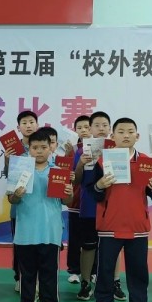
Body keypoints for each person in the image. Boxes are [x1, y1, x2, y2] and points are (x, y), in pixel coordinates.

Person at [88, 118, 152, 302]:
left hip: (138, 225)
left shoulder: (146, 162)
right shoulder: (102, 161)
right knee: (105, 268)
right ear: (112, 136)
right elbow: (93, 192)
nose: (126, 135)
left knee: (138, 269)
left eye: (130, 131)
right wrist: (100, 185)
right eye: (121, 131)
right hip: (109, 225)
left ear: (137, 136)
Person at [9, 128, 73, 302]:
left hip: (50, 231)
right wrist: (17, 194)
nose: (39, 151)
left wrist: (69, 192)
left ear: (51, 148)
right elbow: (12, 200)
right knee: (27, 273)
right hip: (25, 231)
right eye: (35, 147)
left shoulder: (58, 171)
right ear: (28, 149)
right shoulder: (20, 169)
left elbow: (67, 201)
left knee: (49, 273)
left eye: (43, 147)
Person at [73, 111, 125, 302]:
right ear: (90, 129)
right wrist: (80, 164)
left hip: (113, 206)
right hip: (89, 206)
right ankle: (85, 283)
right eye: (97, 125)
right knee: (88, 246)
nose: (101, 128)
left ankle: (115, 282)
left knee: (115, 246)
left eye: (105, 125)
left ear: (110, 129)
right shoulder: (81, 151)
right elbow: (76, 181)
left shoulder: (119, 150)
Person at [4, 110, 40, 291]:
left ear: (37, 125)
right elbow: (8, 176)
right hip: (20, 205)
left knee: (39, 245)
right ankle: (18, 276)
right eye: (24, 123)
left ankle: (39, 278)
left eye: (31, 122)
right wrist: (7, 160)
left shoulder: (44, 146)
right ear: (18, 128)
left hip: (40, 207)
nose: (28, 125)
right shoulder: (14, 149)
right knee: (19, 244)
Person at [66, 115, 90, 283]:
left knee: (92, 239)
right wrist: (68, 154)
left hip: (93, 201)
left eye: (87, 127)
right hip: (75, 201)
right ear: (75, 131)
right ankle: (74, 270)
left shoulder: (100, 147)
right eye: (80, 128)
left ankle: (93, 270)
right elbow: (66, 172)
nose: (84, 130)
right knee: (74, 238)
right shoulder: (72, 149)